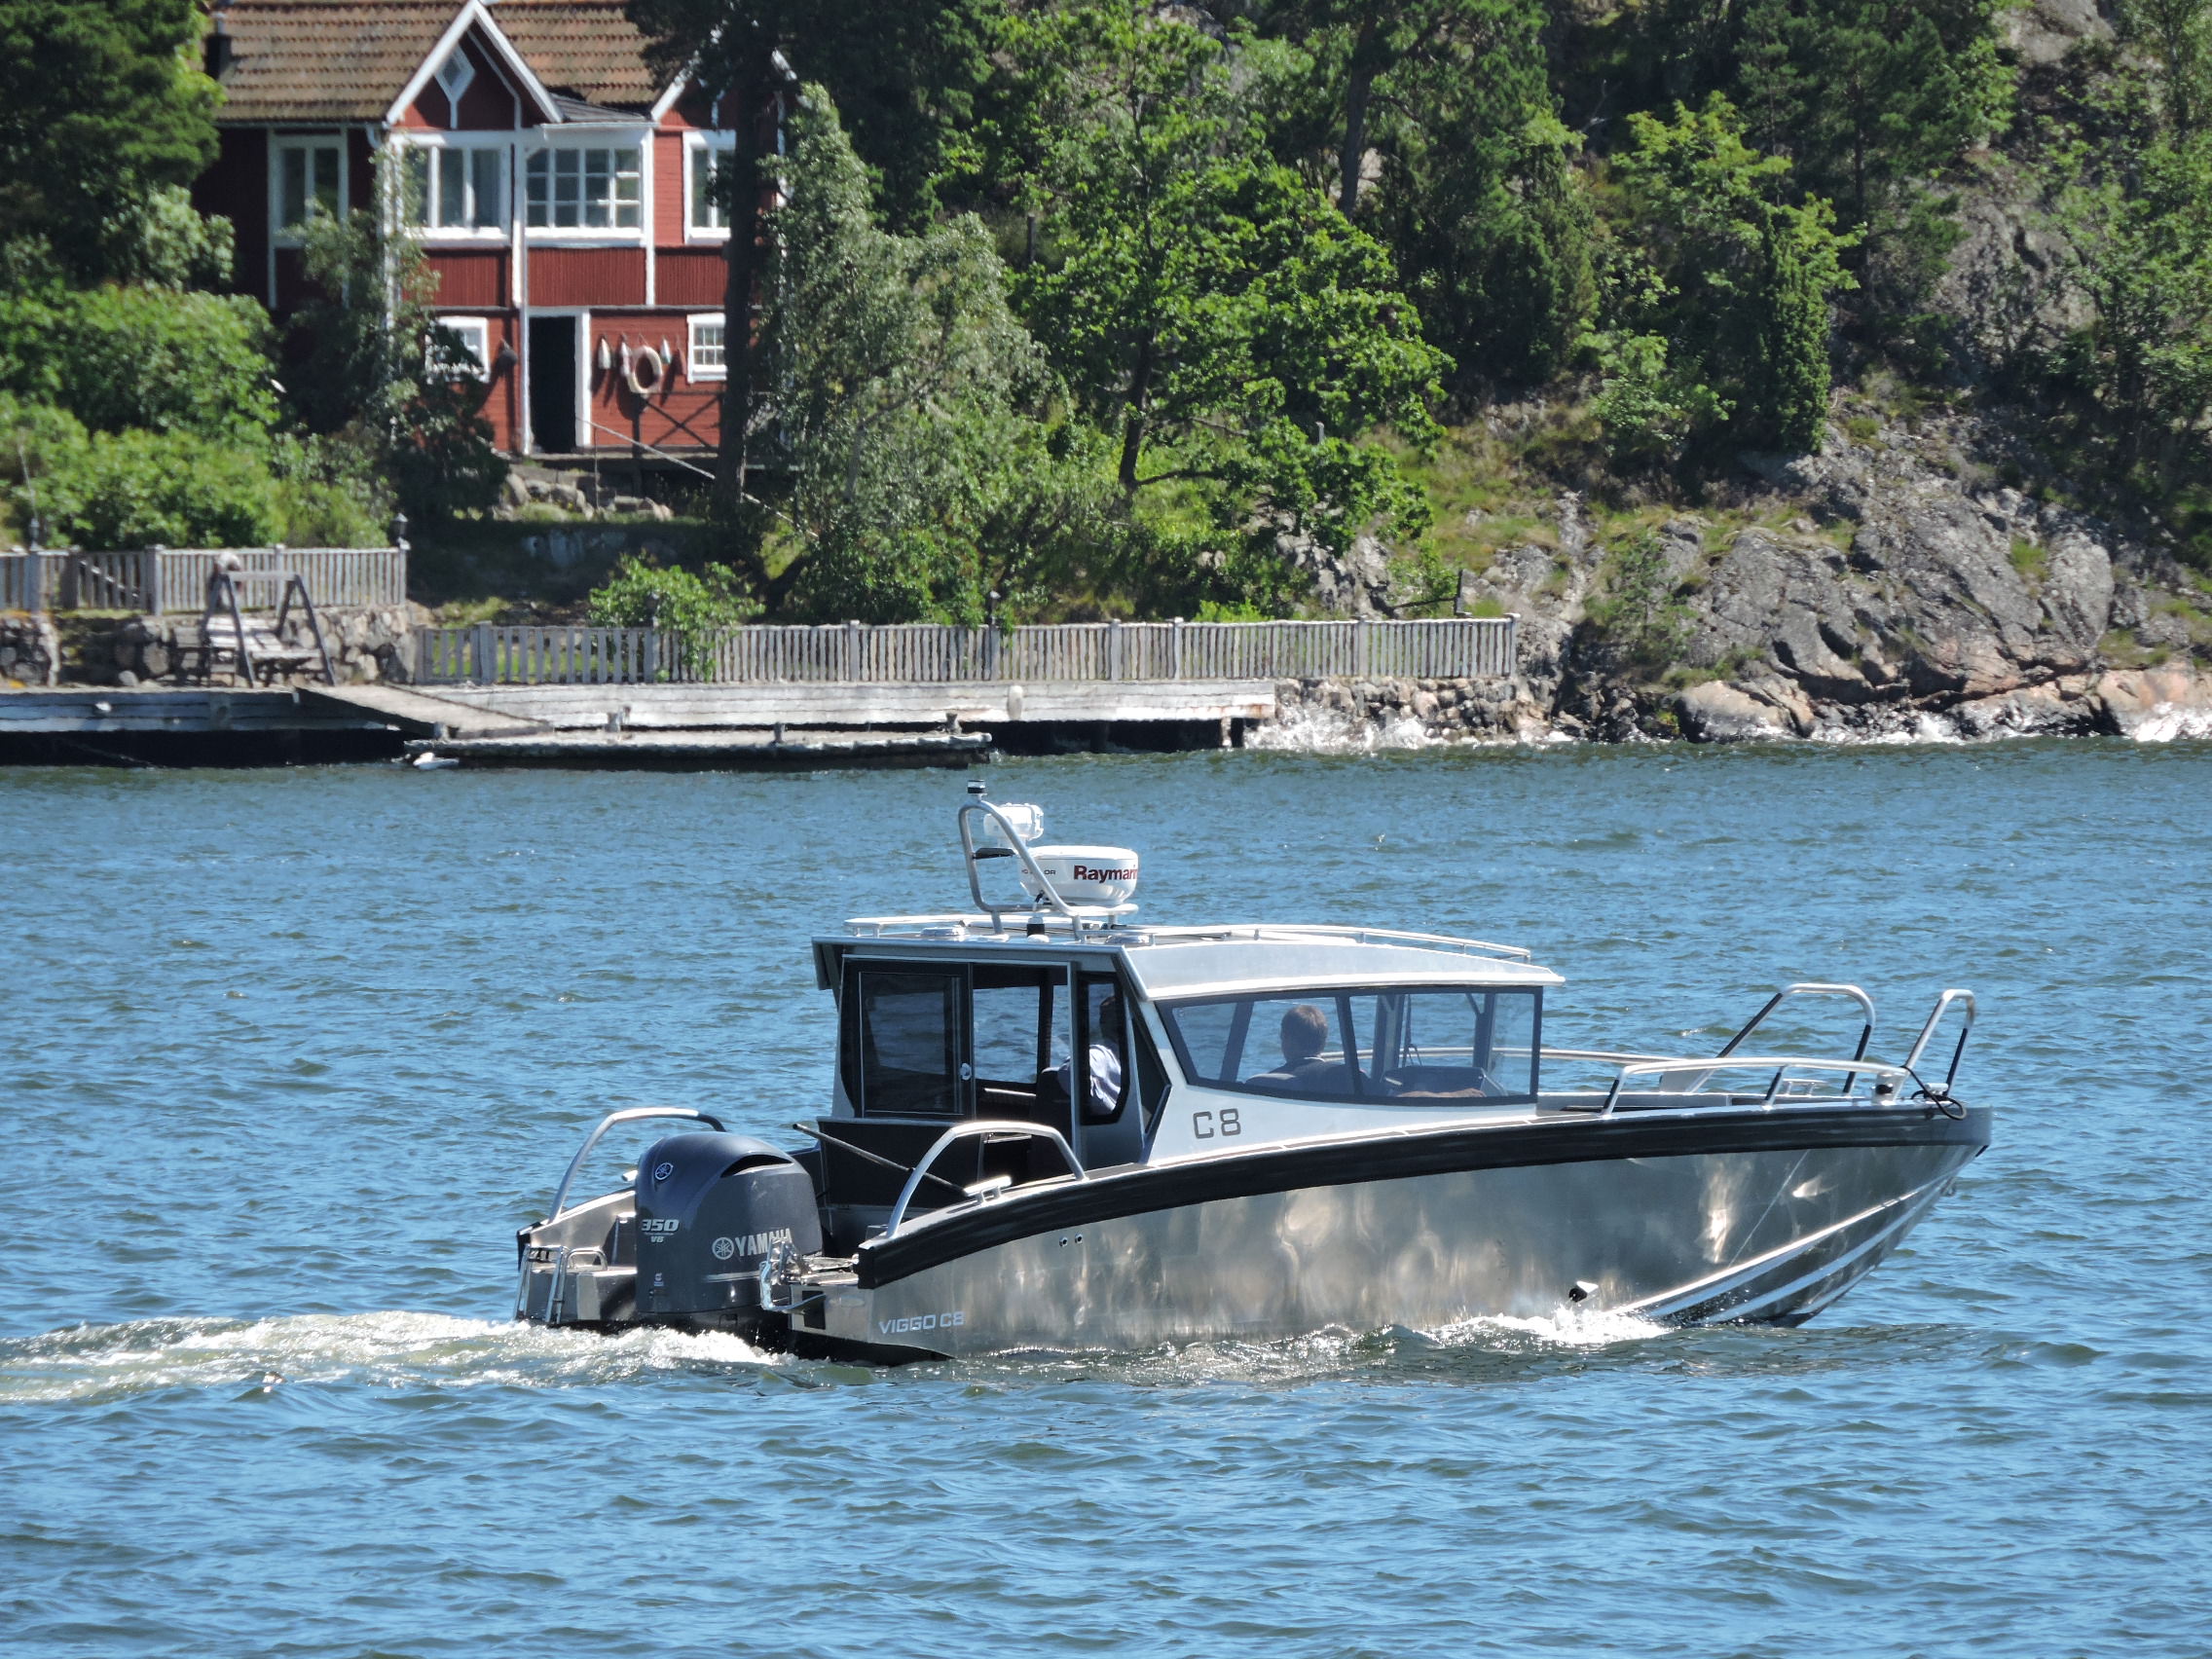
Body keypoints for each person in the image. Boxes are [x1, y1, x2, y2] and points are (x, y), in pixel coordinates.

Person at [1058, 994, 1124, 1119]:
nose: (1118, 1023)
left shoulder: (1137, 1058)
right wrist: (1112, 1110)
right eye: (1114, 1019)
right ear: (1102, 1024)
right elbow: (1069, 1072)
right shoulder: (1102, 1054)